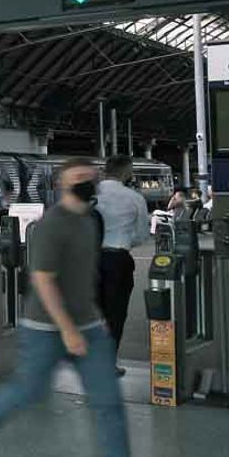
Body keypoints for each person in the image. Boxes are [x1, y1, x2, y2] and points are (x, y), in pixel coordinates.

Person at [0, 159, 167, 457]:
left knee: (107, 398)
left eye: (89, 178)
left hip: (87, 324)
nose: (85, 183)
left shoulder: (90, 221)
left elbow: (82, 276)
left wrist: (93, 315)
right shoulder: (50, 226)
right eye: (77, 179)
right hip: (46, 328)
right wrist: (69, 329)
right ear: (61, 185)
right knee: (29, 391)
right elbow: (43, 280)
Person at [94, 157, 154, 373]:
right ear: (127, 172)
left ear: (105, 170)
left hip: (89, 259)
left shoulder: (90, 195)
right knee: (116, 314)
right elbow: (141, 236)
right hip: (118, 259)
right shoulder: (134, 198)